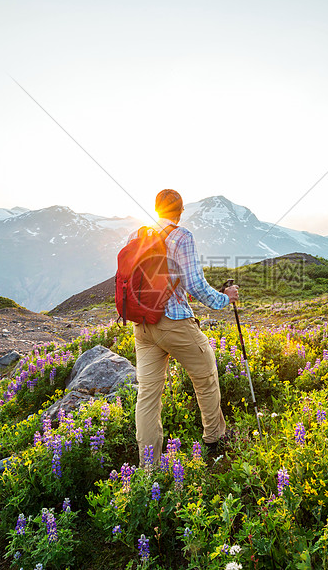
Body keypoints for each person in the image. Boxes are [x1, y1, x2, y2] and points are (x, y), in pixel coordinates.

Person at [131, 189, 239, 465]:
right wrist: (225, 298)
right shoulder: (182, 236)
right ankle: (215, 438)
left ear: (156, 209)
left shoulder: (137, 235)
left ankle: (148, 467)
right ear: (180, 211)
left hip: (142, 325)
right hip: (174, 322)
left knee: (147, 396)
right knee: (206, 374)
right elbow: (195, 284)